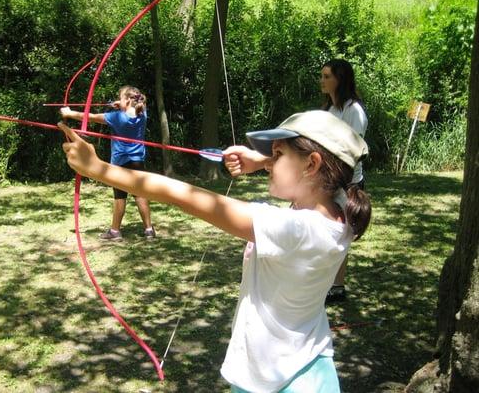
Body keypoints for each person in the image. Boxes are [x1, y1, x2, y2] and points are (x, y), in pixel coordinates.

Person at [59, 110, 371, 392]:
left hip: (284, 382)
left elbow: (181, 194)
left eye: (277, 155)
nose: (269, 164)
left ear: (311, 164)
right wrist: (260, 161)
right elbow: (330, 172)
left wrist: (98, 169)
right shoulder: (340, 209)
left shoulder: (294, 230)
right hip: (303, 366)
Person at [60, 86, 155, 240]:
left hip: (120, 163)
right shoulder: (142, 113)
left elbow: (90, 117)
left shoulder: (116, 117)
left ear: (128, 100)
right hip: (138, 161)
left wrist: (69, 113)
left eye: (121, 97)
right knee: (140, 195)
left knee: (120, 197)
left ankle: (115, 232)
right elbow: (132, 108)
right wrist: (122, 104)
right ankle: (149, 229)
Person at [320, 59, 368, 302]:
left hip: (348, 183)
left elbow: (354, 151)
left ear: (340, 79)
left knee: (341, 232)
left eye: (327, 76)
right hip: (329, 178)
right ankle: (325, 281)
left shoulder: (354, 111)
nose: (323, 80)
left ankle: (337, 287)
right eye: (323, 76)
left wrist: (340, 180)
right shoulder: (331, 109)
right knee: (325, 228)